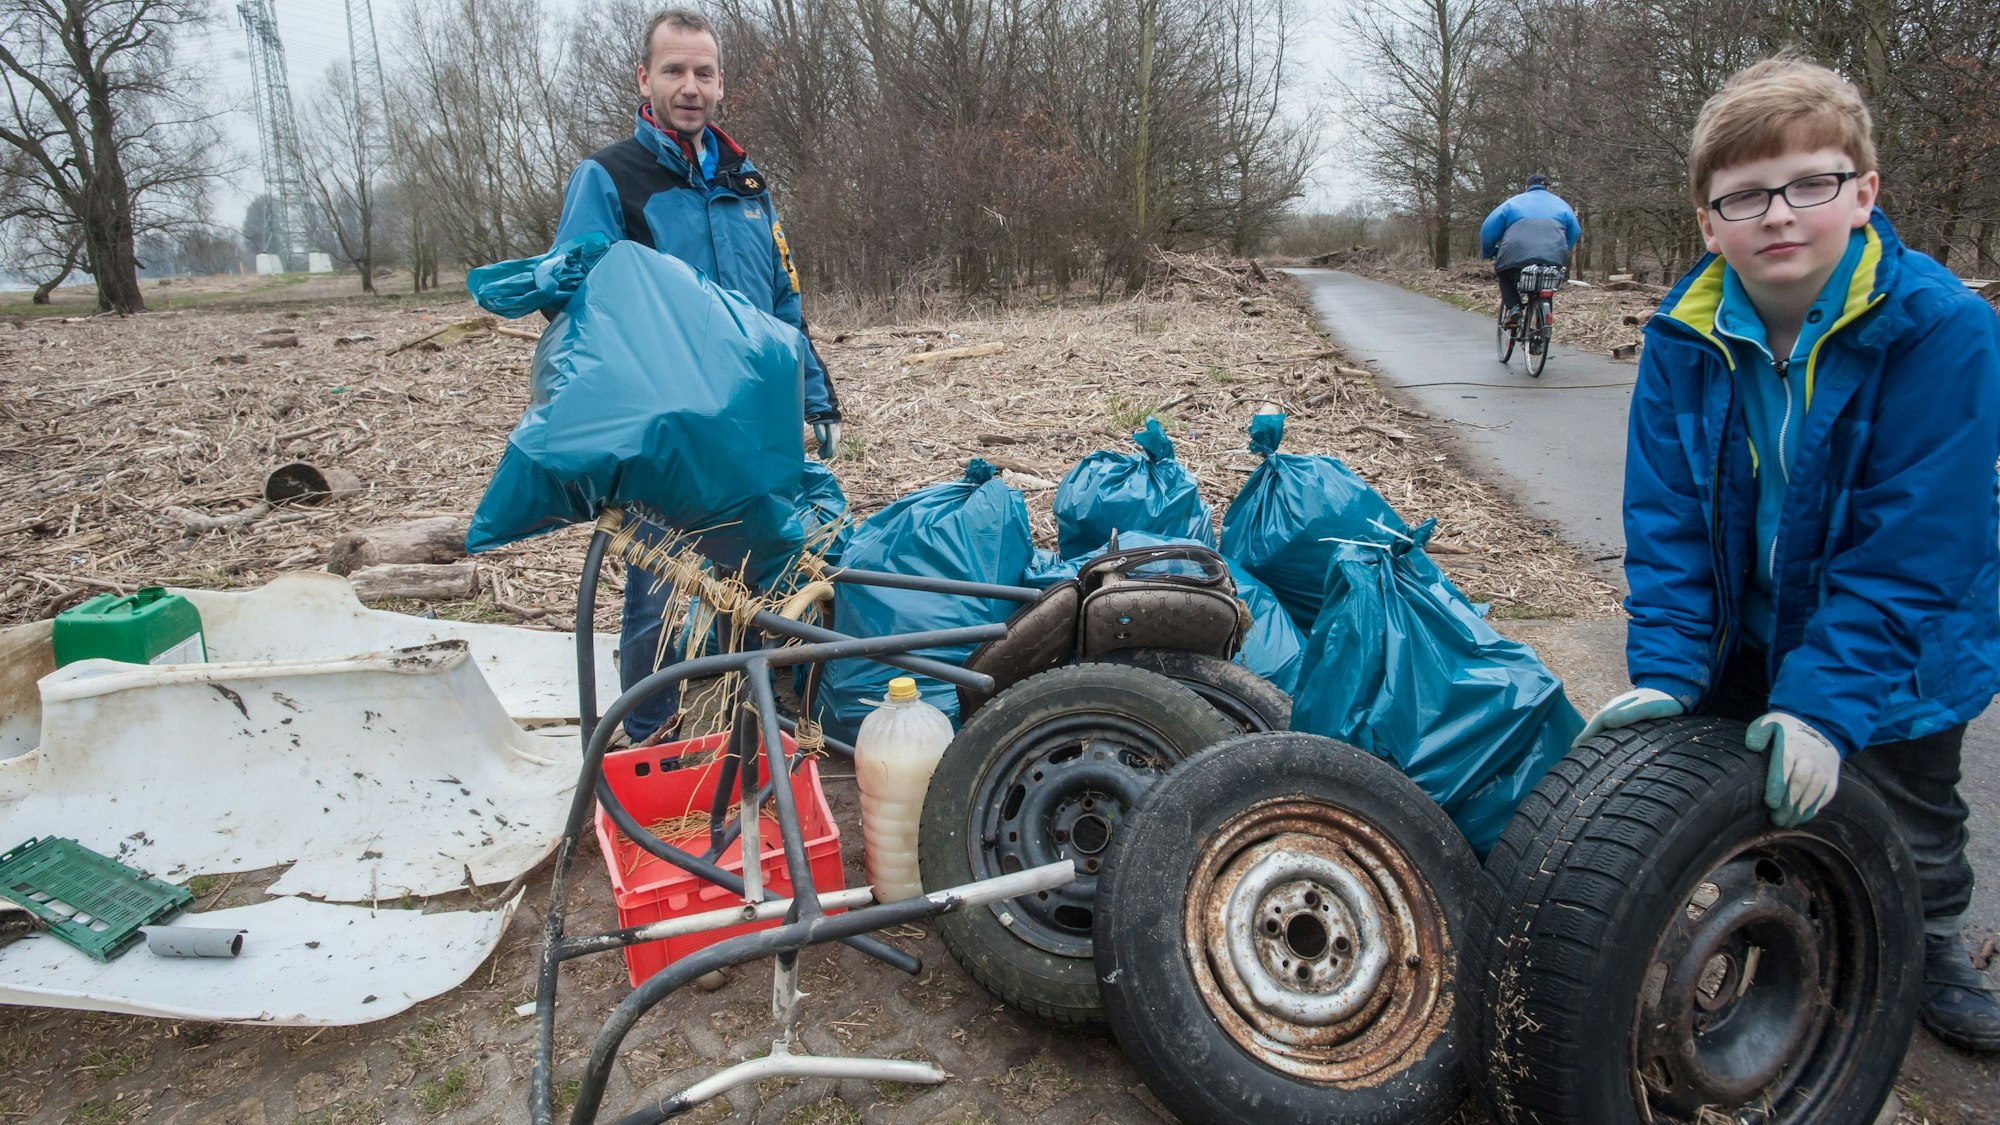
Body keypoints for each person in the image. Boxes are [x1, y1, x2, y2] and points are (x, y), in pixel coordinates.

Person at [1577, 54, 2000, 1053]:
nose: (1776, 213)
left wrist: (1820, 703)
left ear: (1862, 193)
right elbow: (1665, 517)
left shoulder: (1943, 331)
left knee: (1907, 811)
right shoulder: (1681, 335)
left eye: (1808, 183)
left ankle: (1931, 942)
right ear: (1706, 222)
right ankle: (1781, 935)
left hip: (1897, 646)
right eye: (1744, 194)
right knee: (1746, 803)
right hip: (1744, 630)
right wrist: (1671, 669)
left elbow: (1913, 547)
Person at [550, 7, 842, 743]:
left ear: (721, 84)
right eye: (674, 71)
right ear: (644, 79)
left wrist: (814, 395)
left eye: (703, 73)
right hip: (666, 432)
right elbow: (574, 302)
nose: (690, 87)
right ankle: (653, 739)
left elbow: (784, 304)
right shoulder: (612, 178)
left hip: (752, 424)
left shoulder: (749, 186)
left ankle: (754, 728)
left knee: (764, 573)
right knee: (661, 590)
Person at [1479, 173, 1581, 326]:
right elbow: (1575, 231)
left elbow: (1488, 229)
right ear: (1547, 187)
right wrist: (1562, 250)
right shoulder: (1562, 205)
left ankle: (1514, 308)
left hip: (1515, 254)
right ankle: (1541, 333)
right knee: (1546, 286)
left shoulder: (1513, 203)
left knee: (1505, 275)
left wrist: (1488, 251)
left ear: (1526, 187)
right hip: (1552, 255)